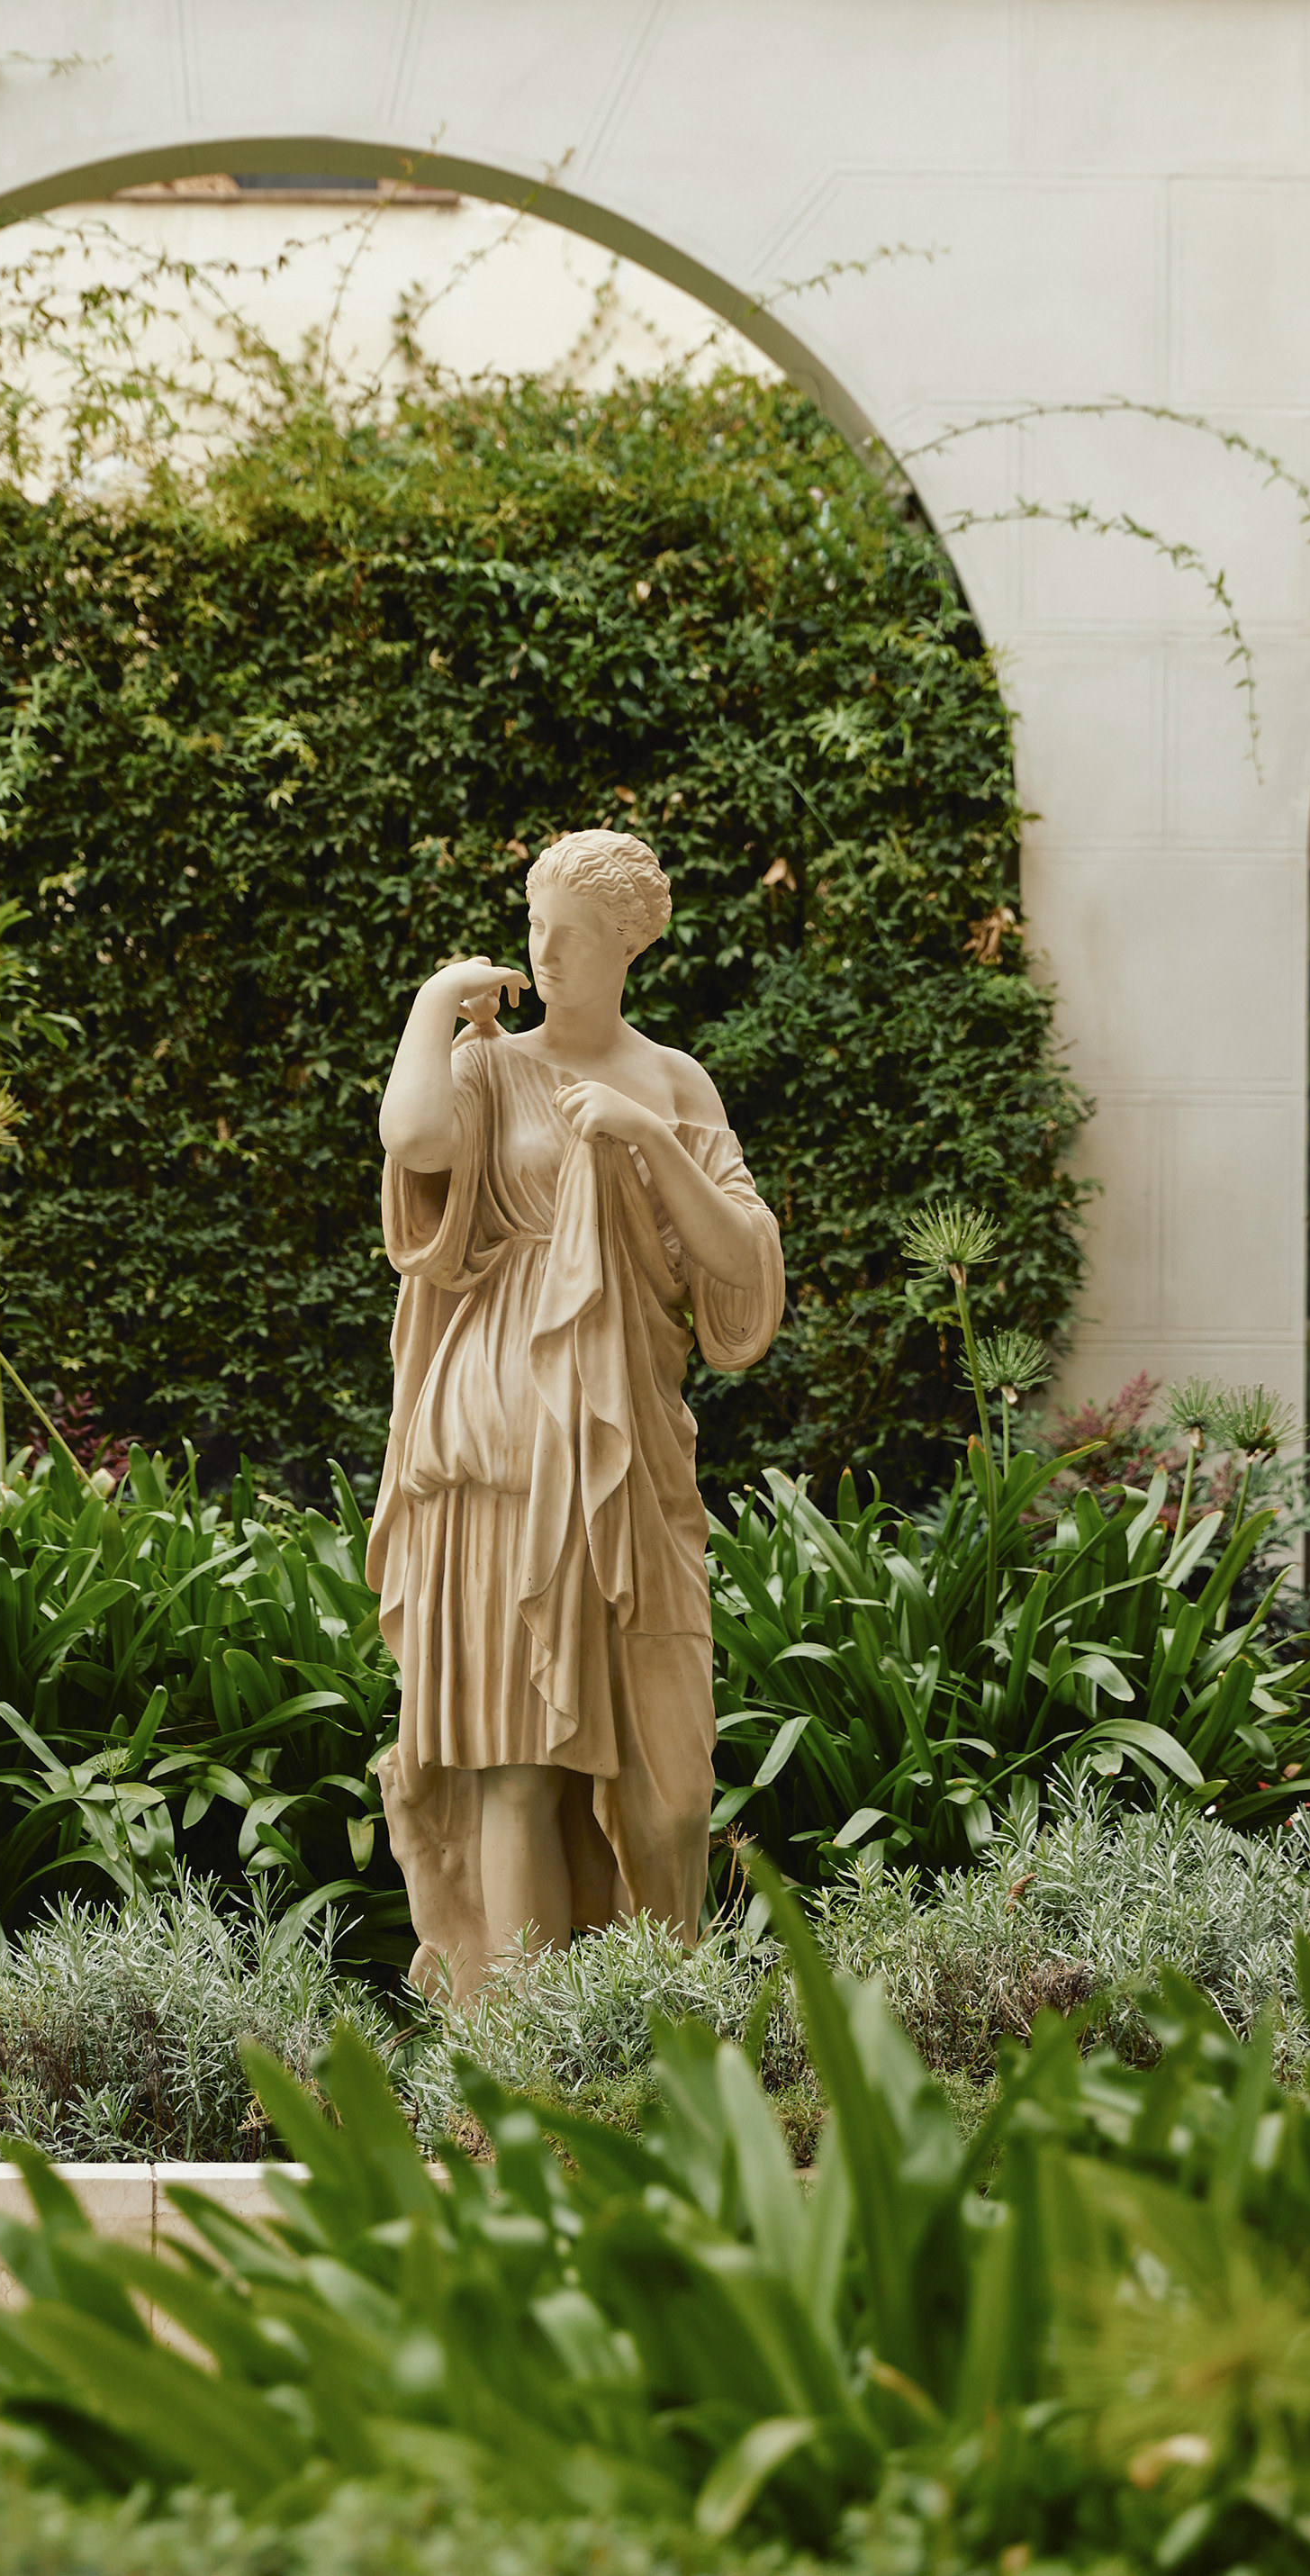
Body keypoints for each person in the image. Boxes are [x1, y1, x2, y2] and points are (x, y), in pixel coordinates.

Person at [369, 828, 783, 2002]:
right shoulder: (487, 1069)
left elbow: (740, 1272)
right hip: (498, 1445)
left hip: (628, 1449)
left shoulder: (673, 1081)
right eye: (534, 926)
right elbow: (412, 1142)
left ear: (622, 946)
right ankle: (527, 2067)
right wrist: (431, 1007)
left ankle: (642, 2032)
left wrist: (649, 1139)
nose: (541, 949)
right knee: (514, 1767)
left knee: (670, 1782)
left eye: (568, 932)